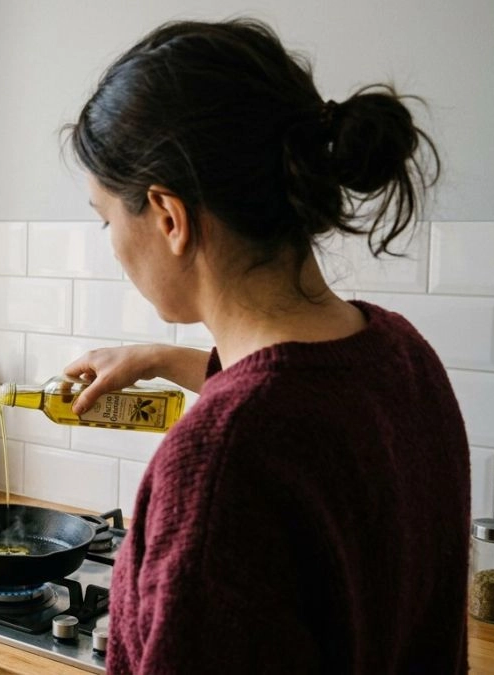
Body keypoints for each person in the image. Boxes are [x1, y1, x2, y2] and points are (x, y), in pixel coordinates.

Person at [61, 19, 469, 674]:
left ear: (169, 216)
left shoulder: (216, 467)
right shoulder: (401, 356)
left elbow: (262, 430)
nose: (109, 240)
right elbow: (303, 407)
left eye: (106, 217)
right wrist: (161, 358)